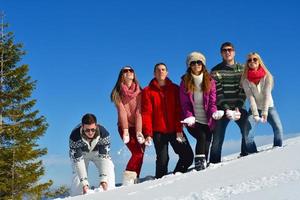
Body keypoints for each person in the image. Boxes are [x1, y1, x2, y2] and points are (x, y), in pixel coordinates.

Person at [142, 62, 194, 178]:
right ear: (154, 73)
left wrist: (179, 130)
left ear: (167, 72)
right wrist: (148, 134)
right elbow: (146, 114)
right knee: (162, 160)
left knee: (188, 156)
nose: (161, 71)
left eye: (163, 69)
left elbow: (178, 110)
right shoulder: (147, 91)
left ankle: (176, 177)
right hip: (158, 132)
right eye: (158, 70)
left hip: (175, 130)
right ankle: (160, 183)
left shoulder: (175, 88)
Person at [210, 42, 257, 164]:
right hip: (222, 109)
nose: (227, 52)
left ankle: (249, 155)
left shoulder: (242, 69)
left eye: (230, 50)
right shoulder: (215, 71)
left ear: (234, 52)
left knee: (247, 128)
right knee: (217, 138)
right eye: (224, 50)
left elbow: (243, 90)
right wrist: (226, 109)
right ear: (221, 53)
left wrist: (237, 107)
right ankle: (214, 163)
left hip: (239, 107)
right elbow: (218, 92)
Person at [180, 52, 224, 170]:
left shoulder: (210, 81)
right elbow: (185, 103)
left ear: (203, 64)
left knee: (207, 141)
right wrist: (189, 116)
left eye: (199, 62)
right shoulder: (185, 82)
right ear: (189, 65)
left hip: (207, 120)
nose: (196, 65)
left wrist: (214, 112)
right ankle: (199, 164)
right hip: (193, 120)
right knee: (201, 137)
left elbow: (212, 102)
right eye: (193, 63)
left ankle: (203, 165)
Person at [110, 66, 146, 186]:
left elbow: (139, 112)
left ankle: (135, 179)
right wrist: (125, 130)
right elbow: (122, 112)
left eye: (131, 70)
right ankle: (127, 179)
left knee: (141, 153)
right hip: (124, 127)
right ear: (122, 76)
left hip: (138, 126)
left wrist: (139, 131)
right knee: (137, 153)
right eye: (125, 71)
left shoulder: (140, 92)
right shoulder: (117, 93)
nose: (129, 72)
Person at [241, 52, 283, 148]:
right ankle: (252, 154)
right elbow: (250, 98)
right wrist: (255, 115)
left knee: (278, 128)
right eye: (249, 60)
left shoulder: (268, 77)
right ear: (247, 63)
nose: (252, 61)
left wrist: (265, 113)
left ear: (259, 61)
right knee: (248, 133)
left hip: (269, 107)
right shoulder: (245, 80)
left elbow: (266, 95)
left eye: (255, 59)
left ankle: (277, 149)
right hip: (254, 108)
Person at [69, 113, 115, 196]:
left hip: (98, 153)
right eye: (87, 130)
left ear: (96, 126)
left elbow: (104, 158)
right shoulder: (74, 137)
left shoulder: (104, 134)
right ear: (82, 127)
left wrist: (103, 179)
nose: (90, 133)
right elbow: (78, 162)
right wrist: (84, 184)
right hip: (81, 155)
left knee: (109, 168)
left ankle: (109, 194)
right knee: (78, 185)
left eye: (93, 129)